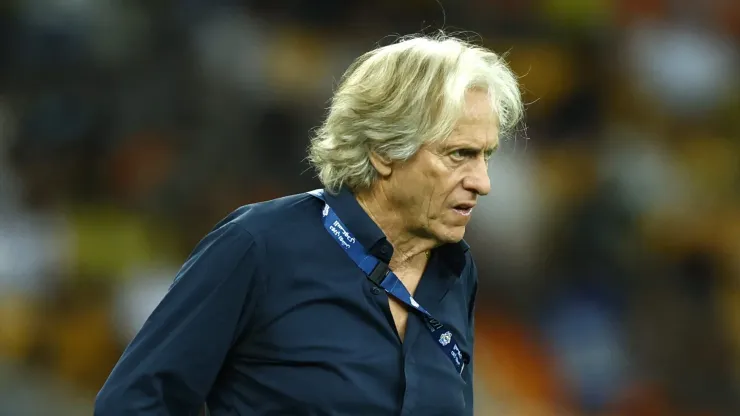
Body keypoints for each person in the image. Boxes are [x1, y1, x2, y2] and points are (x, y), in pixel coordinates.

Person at [94, 33, 523, 415]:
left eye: (486, 155)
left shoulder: (455, 272)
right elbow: (135, 402)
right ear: (383, 152)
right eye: (458, 155)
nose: (483, 183)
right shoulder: (259, 245)